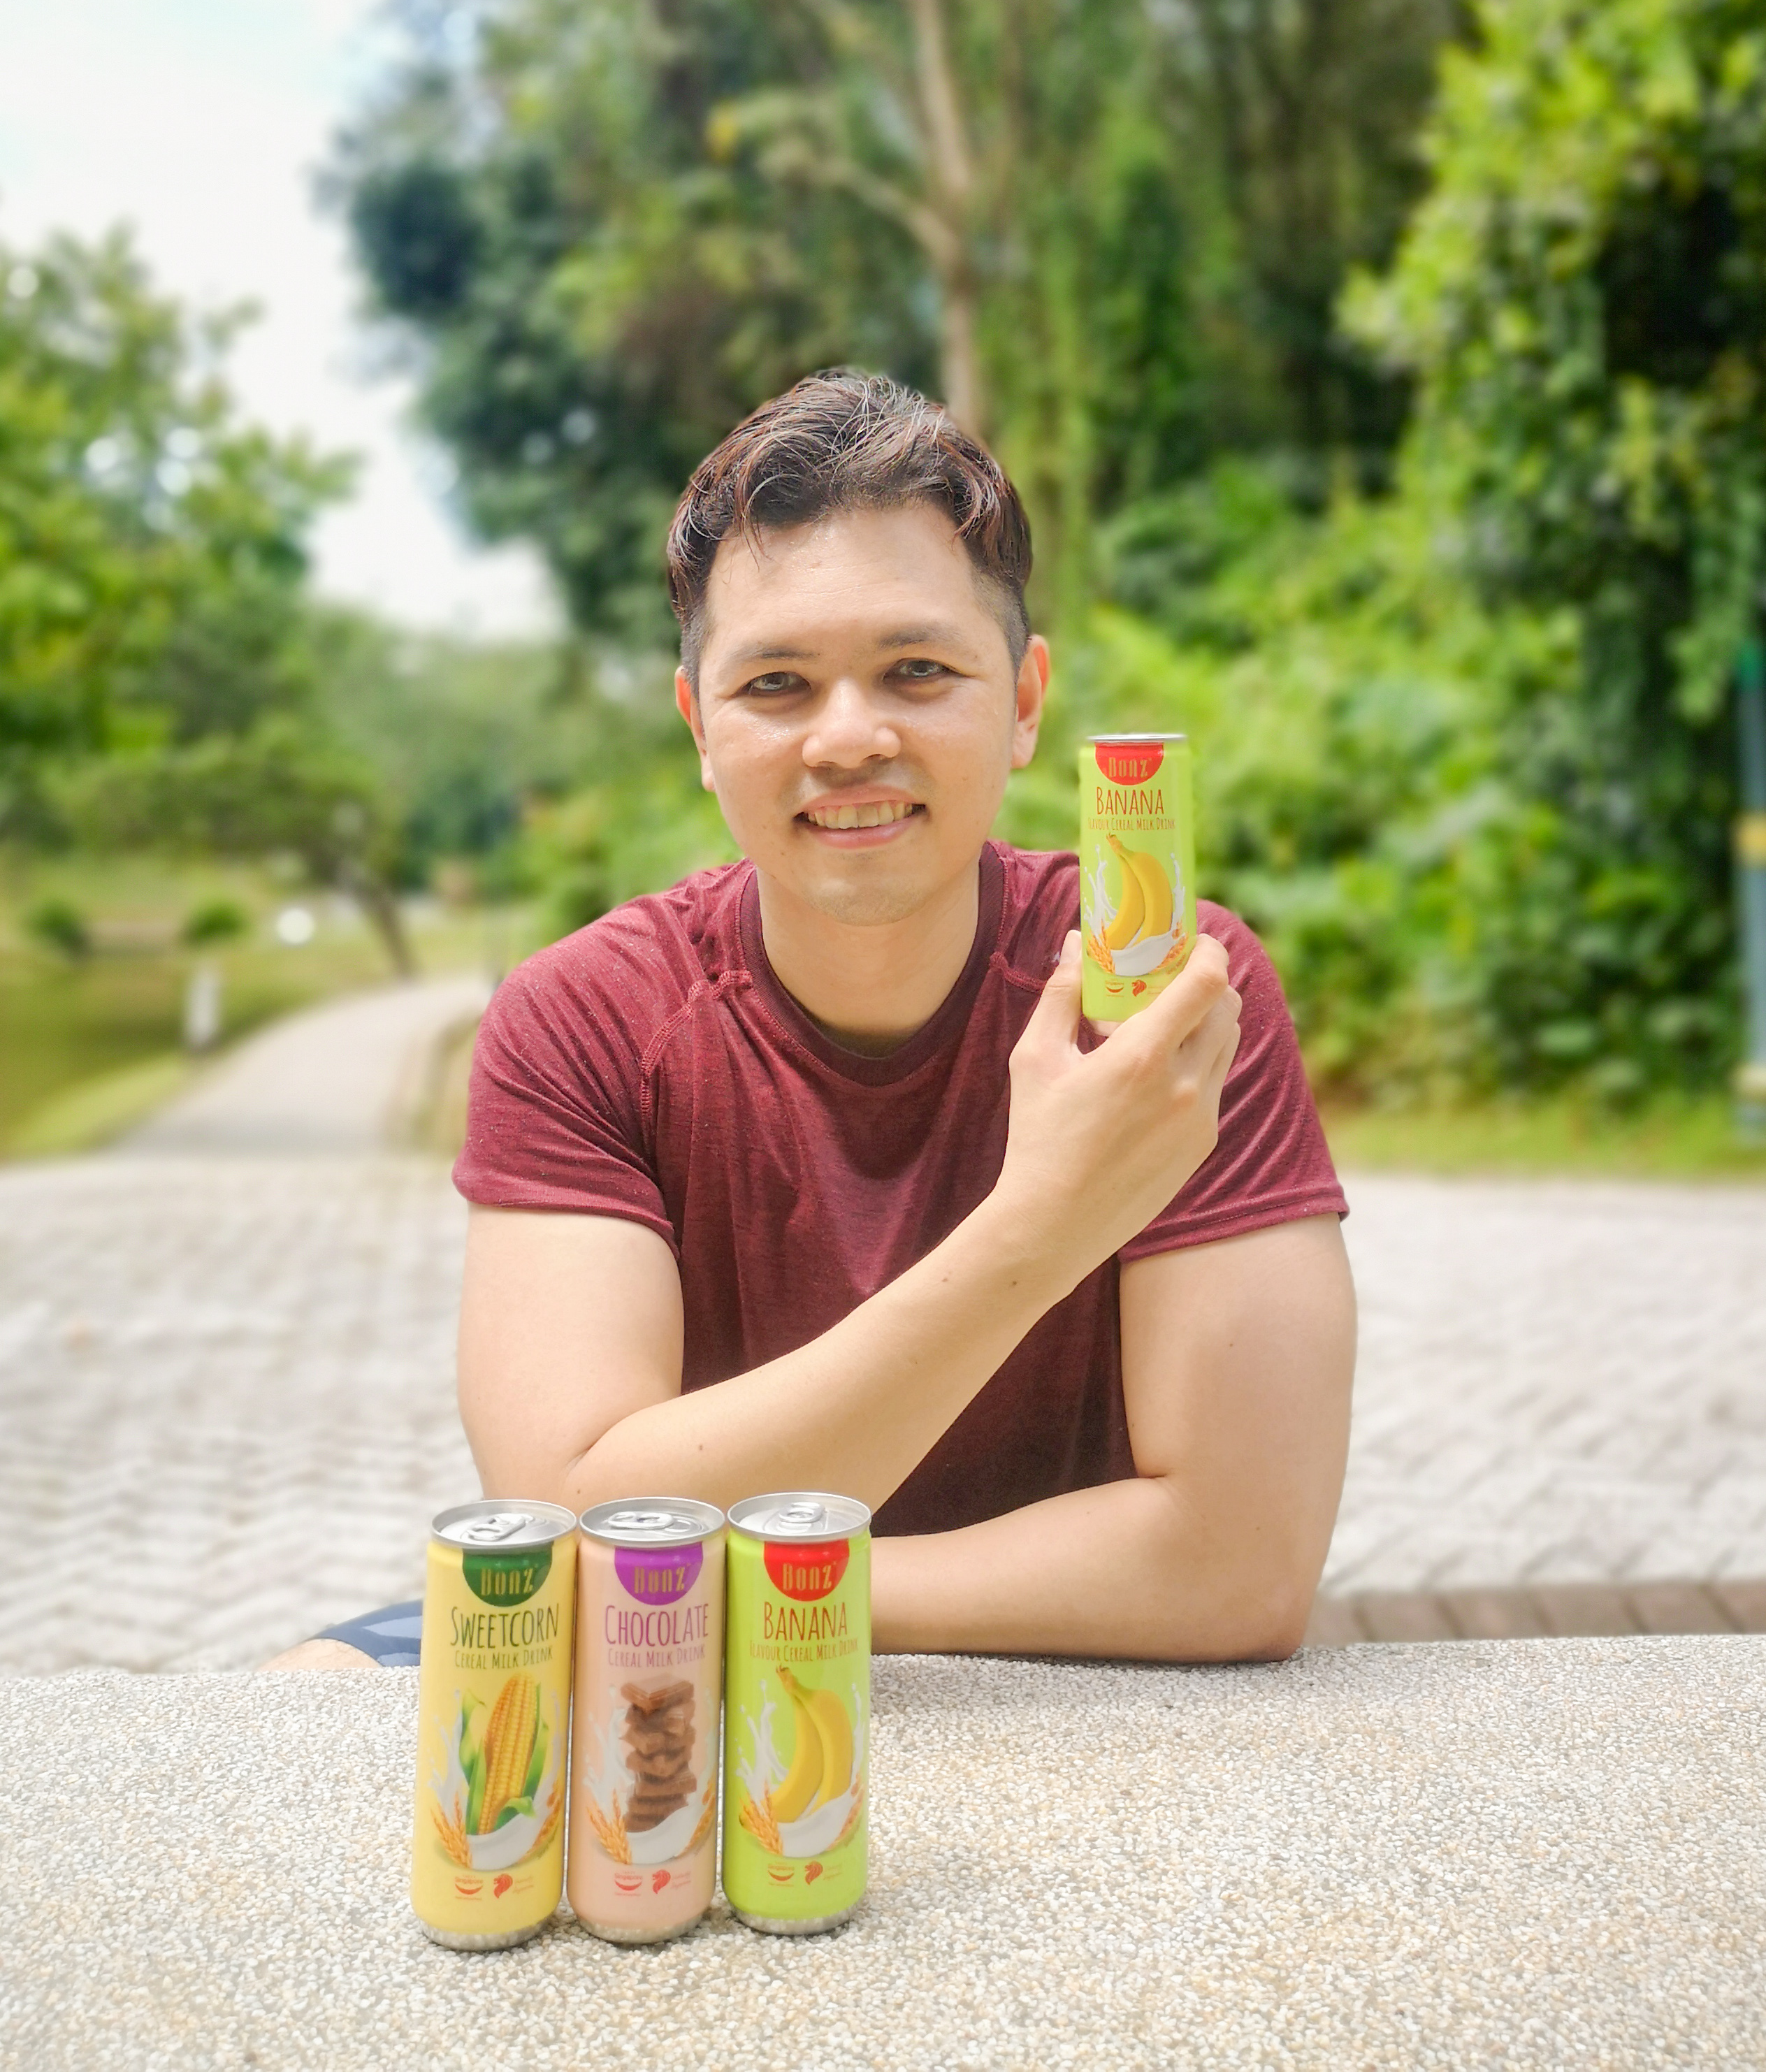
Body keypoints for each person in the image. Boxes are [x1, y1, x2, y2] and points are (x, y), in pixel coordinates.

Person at [270, 372, 1354, 1673]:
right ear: (699, 726)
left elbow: (1239, 1568)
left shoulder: (1164, 994)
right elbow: (571, 1523)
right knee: (306, 1692)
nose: (848, 738)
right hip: (669, 1681)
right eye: (778, 683)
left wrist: (763, 1587)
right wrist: (1042, 1226)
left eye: (917, 670)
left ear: (1023, 702)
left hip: (1033, 1666)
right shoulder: (586, 1018)